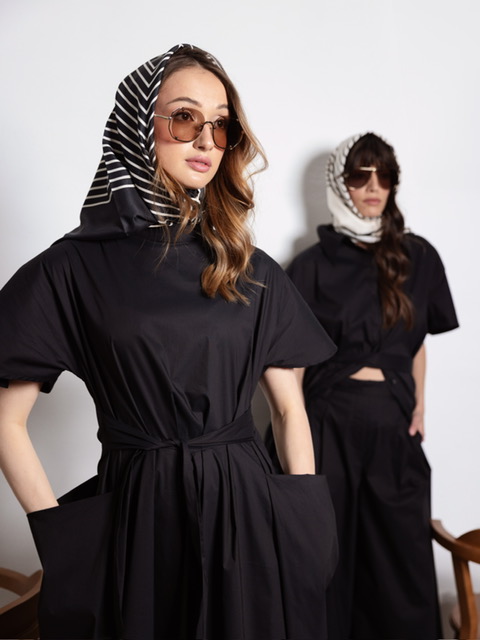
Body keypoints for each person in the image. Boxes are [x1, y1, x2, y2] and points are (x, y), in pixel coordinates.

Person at [0, 44, 338, 639]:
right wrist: (62, 536)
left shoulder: (247, 265)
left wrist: (304, 521)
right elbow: (7, 419)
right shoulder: (70, 269)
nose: (206, 140)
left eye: (220, 125)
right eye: (184, 117)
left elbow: (289, 409)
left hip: (246, 515)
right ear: (139, 124)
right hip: (137, 516)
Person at [284, 132, 459, 639]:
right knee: (326, 553)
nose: (374, 187)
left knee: (400, 556)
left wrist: (418, 406)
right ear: (341, 184)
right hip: (328, 422)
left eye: (385, 176)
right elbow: (291, 361)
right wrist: (294, 435)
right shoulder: (311, 265)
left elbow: (417, 342)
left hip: (392, 419)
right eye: (361, 176)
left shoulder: (418, 257)